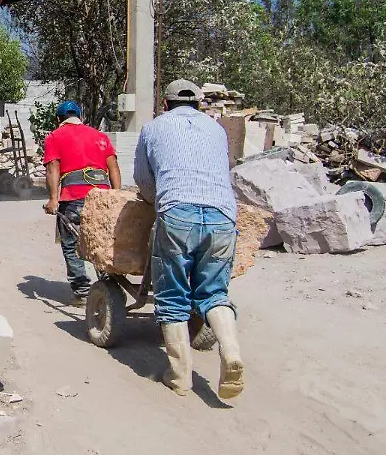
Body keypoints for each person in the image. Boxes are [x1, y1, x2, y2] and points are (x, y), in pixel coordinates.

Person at [133, 79, 245, 399]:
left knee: (172, 297)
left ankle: (180, 377)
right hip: (223, 216)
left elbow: (143, 178)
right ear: (199, 104)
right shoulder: (216, 129)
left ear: (166, 105)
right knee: (214, 293)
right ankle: (232, 352)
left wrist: (158, 199)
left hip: (177, 214)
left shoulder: (153, 129)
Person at [42, 100, 121, 305]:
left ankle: (83, 291)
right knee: (101, 242)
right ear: (80, 117)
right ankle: (107, 285)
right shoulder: (100, 136)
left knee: (71, 244)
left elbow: (52, 168)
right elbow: (113, 167)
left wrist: (53, 199)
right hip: (102, 199)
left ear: (59, 119)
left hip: (74, 198)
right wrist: (116, 196)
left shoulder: (54, 137)